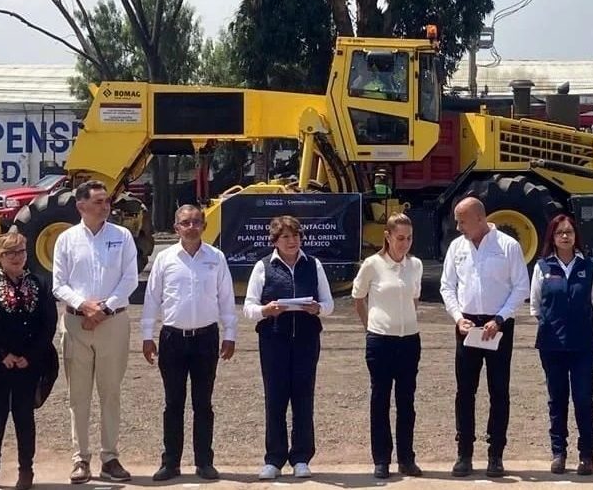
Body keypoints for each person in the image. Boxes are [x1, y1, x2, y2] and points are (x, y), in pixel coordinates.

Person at [141, 205, 238, 482]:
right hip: (172, 339)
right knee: (173, 404)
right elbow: (152, 298)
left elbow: (226, 298)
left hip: (205, 338)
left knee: (203, 404)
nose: (192, 226)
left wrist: (230, 333)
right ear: (176, 228)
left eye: (197, 222)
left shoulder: (216, 258)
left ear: (204, 226)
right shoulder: (165, 259)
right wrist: (147, 336)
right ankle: (170, 463)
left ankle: (204, 462)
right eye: (186, 222)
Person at [52, 179, 139, 484]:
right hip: (77, 323)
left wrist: (103, 309)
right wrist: (83, 305)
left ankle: (110, 457)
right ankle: (80, 459)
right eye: (99, 201)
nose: (106, 206)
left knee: (110, 392)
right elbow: (59, 284)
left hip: (113, 322)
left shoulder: (122, 236)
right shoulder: (66, 239)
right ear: (81, 206)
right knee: (78, 396)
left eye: (107, 201)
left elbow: (131, 278)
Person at [440, 197, 530, 478]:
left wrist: (500, 318)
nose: (458, 227)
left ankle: (495, 455)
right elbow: (447, 286)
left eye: (462, 221)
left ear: (479, 218)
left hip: (498, 325)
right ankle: (464, 454)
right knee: (465, 391)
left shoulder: (508, 246)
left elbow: (521, 287)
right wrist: (457, 317)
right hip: (467, 325)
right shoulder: (457, 247)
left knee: (498, 391)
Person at [244, 216, 335, 480]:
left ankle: (301, 458)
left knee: (303, 398)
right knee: (275, 399)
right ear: (274, 241)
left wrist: (318, 308)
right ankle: (274, 459)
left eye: (296, 236)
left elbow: (329, 304)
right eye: (285, 237)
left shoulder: (313, 265)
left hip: (306, 341)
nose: (292, 241)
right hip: (274, 341)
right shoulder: (263, 267)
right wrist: (266, 310)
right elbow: (249, 308)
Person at [0, 233, 58, 490]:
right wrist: (3, 354)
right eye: (11, 253)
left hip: (28, 364)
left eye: (21, 252)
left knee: (24, 417)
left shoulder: (40, 284)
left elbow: (48, 324)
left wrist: (29, 356)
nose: (17, 257)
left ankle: (26, 470)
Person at [352, 213, 424, 480]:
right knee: (380, 399)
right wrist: (370, 326)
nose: (404, 244)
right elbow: (358, 299)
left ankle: (407, 458)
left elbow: (414, 298)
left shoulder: (415, 265)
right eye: (400, 238)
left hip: (409, 341)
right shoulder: (372, 264)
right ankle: (381, 459)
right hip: (380, 340)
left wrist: (407, 319)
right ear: (388, 236)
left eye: (409, 238)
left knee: (407, 401)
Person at [529, 214, 593, 476]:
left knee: (583, 400)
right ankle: (558, 453)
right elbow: (535, 306)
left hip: (583, 346)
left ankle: (586, 455)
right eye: (560, 232)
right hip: (552, 345)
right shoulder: (543, 267)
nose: (565, 236)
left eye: (569, 232)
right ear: (552, 236)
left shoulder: (588, 267)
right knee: (556, 401)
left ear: (575, 236)